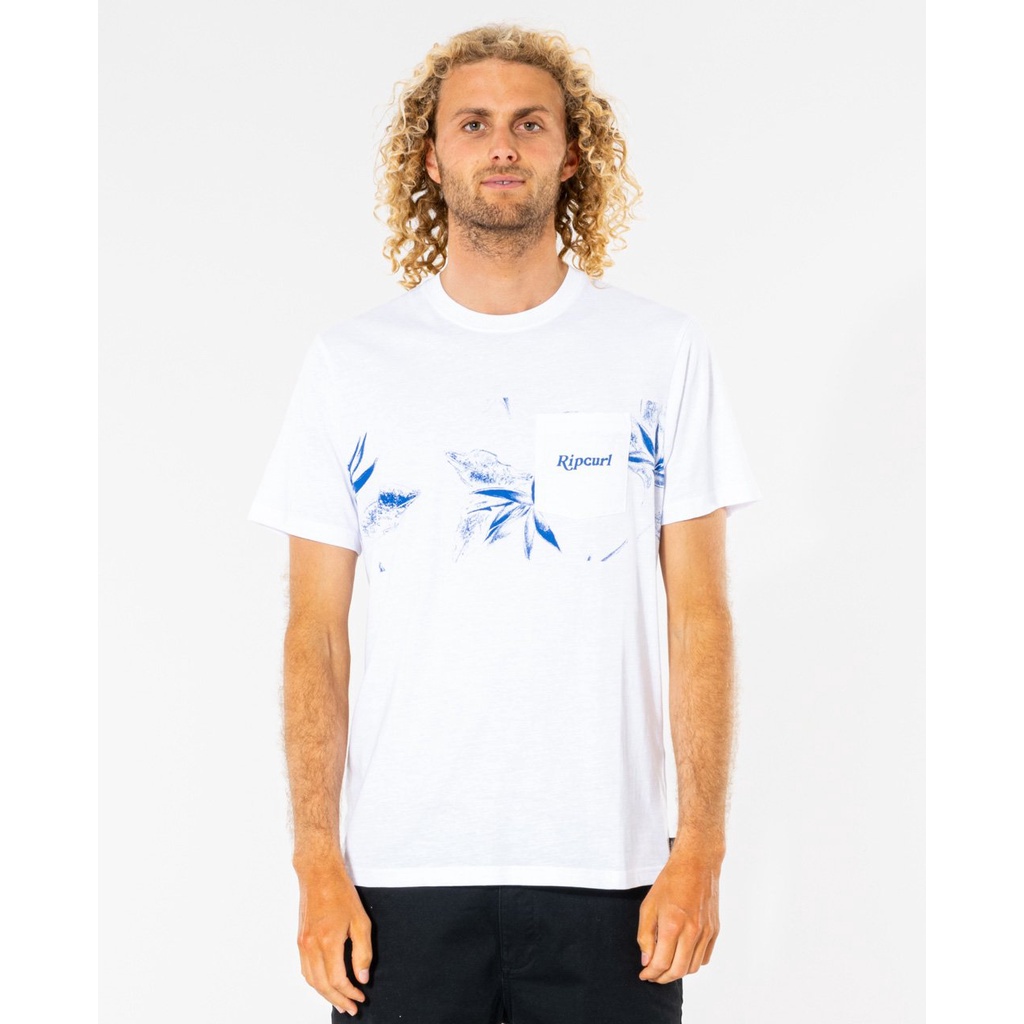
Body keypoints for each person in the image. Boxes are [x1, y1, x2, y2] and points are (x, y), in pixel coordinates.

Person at [247, 23, 762, 1024]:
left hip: (611, 879)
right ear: (430, 155)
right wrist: (316, 860)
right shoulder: (351, 365)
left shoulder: (658, 351)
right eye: (473, 123)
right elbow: (315, 635)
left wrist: (699, 846)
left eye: (530, 123)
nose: (502, 146)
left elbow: (698, 615)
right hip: (398, 881)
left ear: (570, 154)